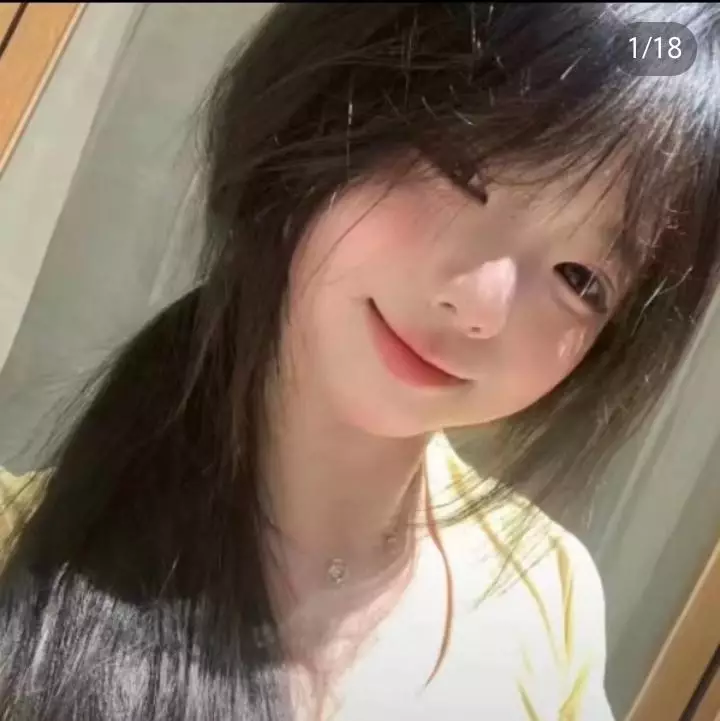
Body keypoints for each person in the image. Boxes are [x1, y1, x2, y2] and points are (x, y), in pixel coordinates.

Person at [1, 3, 719, 719]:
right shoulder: (19, 562)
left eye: (580, 278)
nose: (481, 304)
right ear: (320, 107)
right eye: (460, 170)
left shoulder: (543, 598)